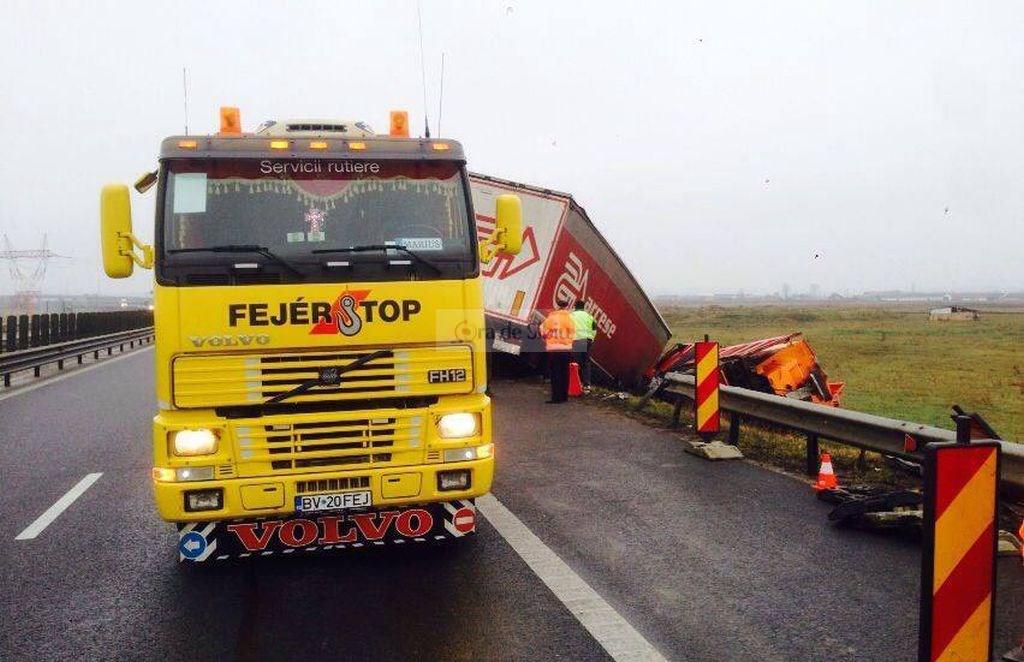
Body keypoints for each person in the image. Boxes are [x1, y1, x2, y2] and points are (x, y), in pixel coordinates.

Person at [539, 304, 576, 403]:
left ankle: (556, 397)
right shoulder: (570, 318)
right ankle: (564, 397)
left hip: (554, 350)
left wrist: (547, 338)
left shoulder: (550, 318)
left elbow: (543, 331)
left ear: (557, 308)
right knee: (565, 373)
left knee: (555, 373)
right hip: (566, 349)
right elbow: (574, 332)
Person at [570, 300, 597, 392]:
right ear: (583, 307)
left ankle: (573, 383)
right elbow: (594, 329)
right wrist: (592, 339)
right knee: (586, 362)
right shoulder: (589, 316)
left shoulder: (571, 315)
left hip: (576, 340)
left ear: (575, 306)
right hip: (587, 340)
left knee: (575, 362)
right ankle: (587, 385)